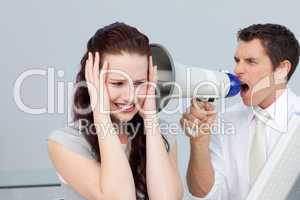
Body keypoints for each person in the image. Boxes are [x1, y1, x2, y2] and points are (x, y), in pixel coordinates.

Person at [47, 22, 183, 200]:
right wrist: (101, 114)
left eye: (139, 83)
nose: (130, 96)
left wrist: (150, 119)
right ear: (91, 80)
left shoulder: (161, 133)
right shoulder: (65, 142)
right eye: (118, 83)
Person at [181, 23, 300, 200]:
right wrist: (199, 142)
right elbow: (203, 193)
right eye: (237, 61)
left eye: (251, 62)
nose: (237, 70)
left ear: (282, 70)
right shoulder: (225, 121)